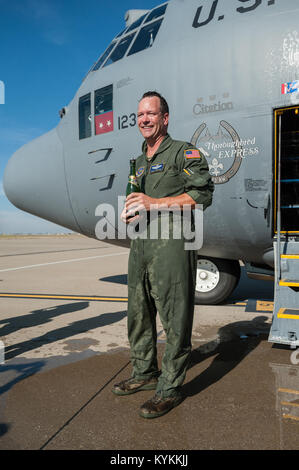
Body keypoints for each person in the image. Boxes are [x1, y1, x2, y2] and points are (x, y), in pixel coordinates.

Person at [112, 91, 214, 418]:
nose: (144, 119)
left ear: (164, 118)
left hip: (172, 243)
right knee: (138, 314)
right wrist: (132, 212)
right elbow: (139, 201)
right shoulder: (139, 161)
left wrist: (154, 204)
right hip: (141, 245)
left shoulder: (183, 152)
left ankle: (169, 388)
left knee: (174, 317)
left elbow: (202, 193)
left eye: (151, 114)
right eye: (140, 114)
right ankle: (144, 373)